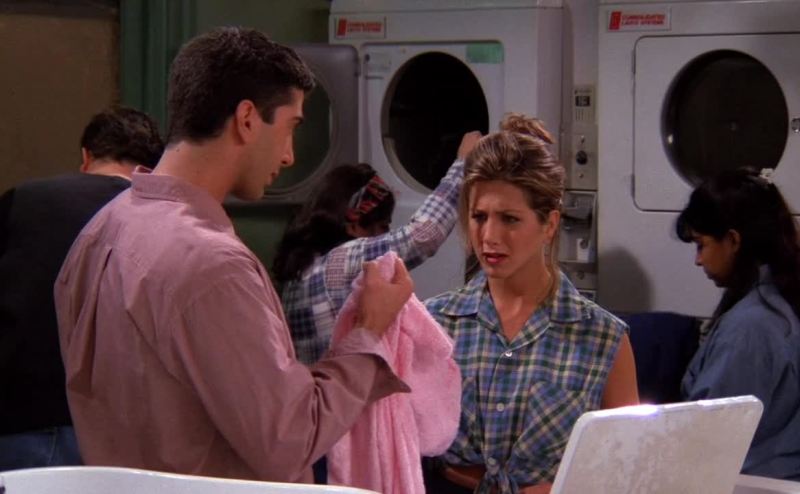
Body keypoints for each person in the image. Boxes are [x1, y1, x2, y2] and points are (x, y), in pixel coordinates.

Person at [53, 27, 413, 483]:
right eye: (291, 127)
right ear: (246, 119)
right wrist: (367, 334)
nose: (289, 156)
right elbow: (290, 439)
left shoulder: (100, 230)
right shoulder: (213, 266)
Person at [423, 114, 639, 493]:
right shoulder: (435, 324)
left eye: (509, 219)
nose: (489, 236)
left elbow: (628, 469)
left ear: (549, 225)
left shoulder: (602, 339)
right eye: (479, 217)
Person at [0, 106, 163, 470]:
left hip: (21, 415)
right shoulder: (163, 216)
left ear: (86, 156)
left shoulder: (25, 199)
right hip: (123, 429)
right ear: (151, 167)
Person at [273, 131, 480, 365]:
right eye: (382, 226)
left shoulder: (299, 273)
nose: (383, 238)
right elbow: (423, 236)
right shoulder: (338, 264)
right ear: (354, 226)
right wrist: (462, 165)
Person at [677, 167, 800, 481]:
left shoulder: (750, 328)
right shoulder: (782, 303)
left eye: (701, 245)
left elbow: (708, 438)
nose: (698, 260)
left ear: (732, 240)